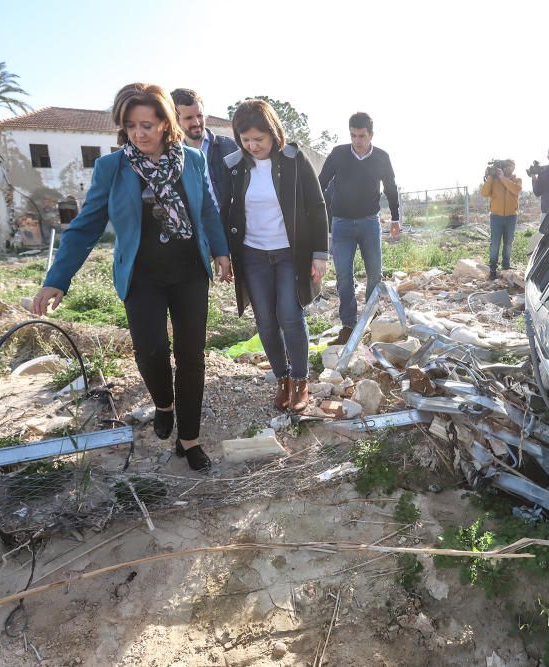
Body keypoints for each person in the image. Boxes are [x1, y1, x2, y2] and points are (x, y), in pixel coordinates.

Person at [32, 83, 231, 472]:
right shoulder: (112, 168)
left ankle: (189, 440)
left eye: (147, 125)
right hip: (142, 277)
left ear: (164, 124)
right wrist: (58, 278)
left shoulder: (192, 161)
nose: (138, 134)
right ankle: (164, 403)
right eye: (130, 126)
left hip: (189, 271)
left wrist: (221, 250)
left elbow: (206, 210)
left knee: (191, 357)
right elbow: (85, 226)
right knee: (150, 350)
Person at [224, 99, 329, 413]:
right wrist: (224, 255)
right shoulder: (235, 166)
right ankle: (282, 379)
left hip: (288, 253)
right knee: (266, 322)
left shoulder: (294, 161)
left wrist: (320, 253)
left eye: (260, 139)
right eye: (246, 140)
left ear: (274, 134)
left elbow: (317, 206)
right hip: (253, 255)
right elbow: (226, 210)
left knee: (290, 315)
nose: (253, 146)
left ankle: (300, 381)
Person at [318, 112, 400, 345]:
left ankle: (371, 319)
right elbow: (320, 182)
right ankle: (348, 326)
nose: (357, 141)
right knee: (344, 276)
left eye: (362, 136)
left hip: (369, 222)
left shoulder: (381, 157)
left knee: (375, 272)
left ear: (371, 135)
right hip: (341, 224)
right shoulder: (339, 154)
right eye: (353, 135)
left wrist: (395, 218)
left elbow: (391, 188)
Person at [171, 88, 239, 224]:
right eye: (189, 118)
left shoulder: (230, 147)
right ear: (175, 120)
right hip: (195, 234)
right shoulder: (171, 156)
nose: (196, 122)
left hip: (230, 230)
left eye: (200, 116)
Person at [479, 159, 522, 280]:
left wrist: (503, 178)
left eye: (512, 167)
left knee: (508, 243)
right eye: (507, 166)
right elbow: (484, 193)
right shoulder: (493, 180)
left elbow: (515, 190)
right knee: (495, 244)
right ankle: (492, 269)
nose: (510, 169)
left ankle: (506, 267)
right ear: (503, 167)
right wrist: (490, 177)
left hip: (511, 216)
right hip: (496, 216)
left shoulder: (516, 179)